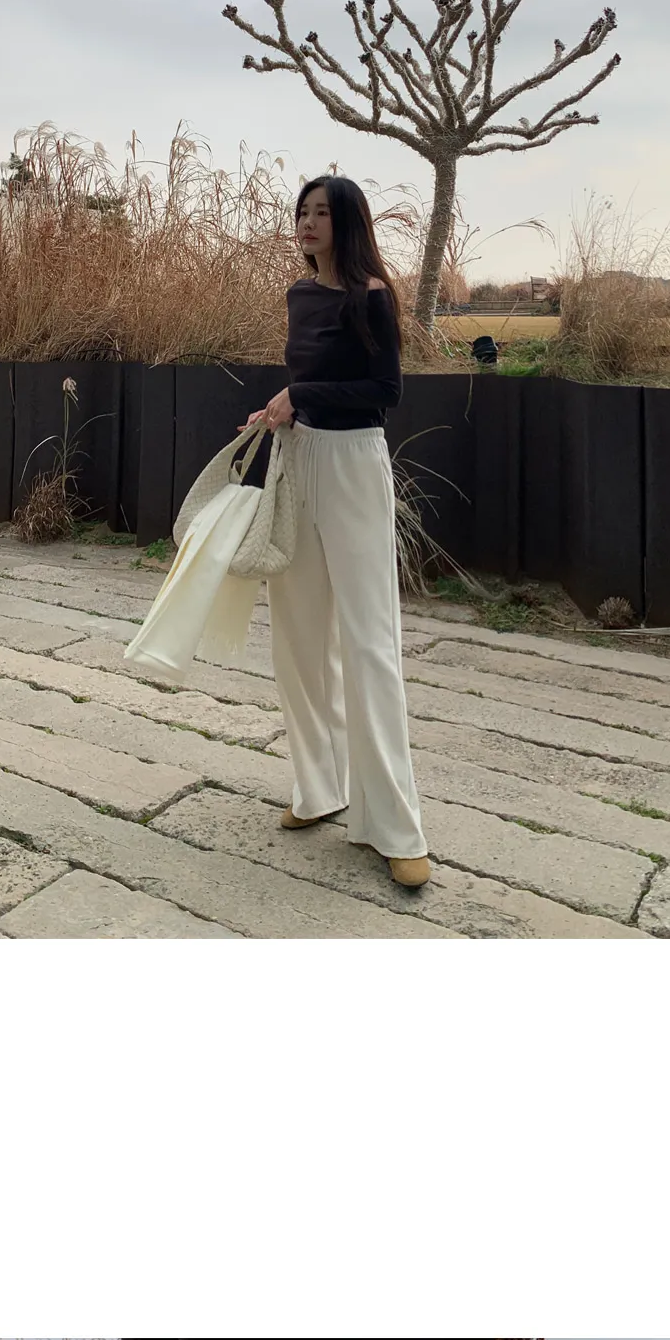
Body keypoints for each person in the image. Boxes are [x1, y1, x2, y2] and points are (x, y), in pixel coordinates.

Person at [240, 172, 430, 889]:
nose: (308, 221)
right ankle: (319, 787)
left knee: (369, 642)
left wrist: (302, 393)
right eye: (302, 211)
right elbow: (307, 385)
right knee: (296, 635)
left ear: (348, 222)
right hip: (298, 457)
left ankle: (395, 826)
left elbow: (385, 391)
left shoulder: (373, 296)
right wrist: (279, 410)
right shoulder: (299, 295)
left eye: (322, 212)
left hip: (353, 466)